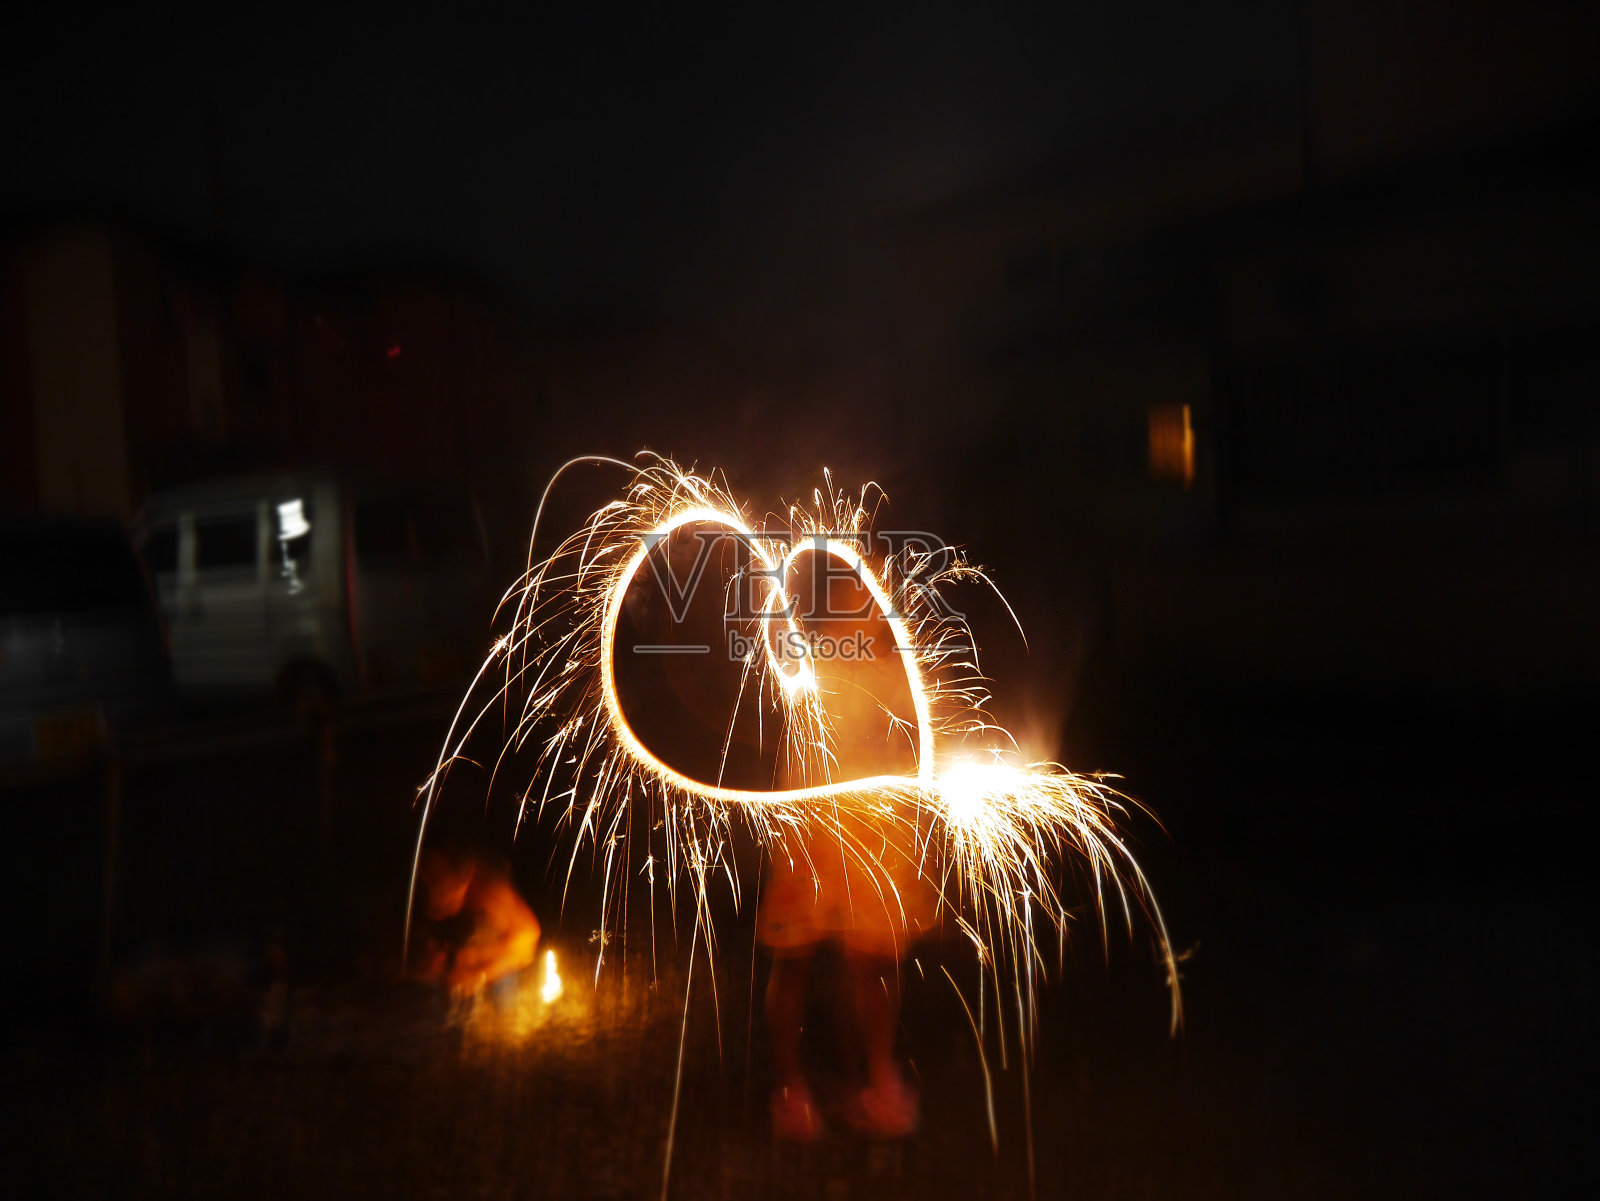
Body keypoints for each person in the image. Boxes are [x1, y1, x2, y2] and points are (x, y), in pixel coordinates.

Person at [757, 566, 939, 1141]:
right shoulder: (807, 658)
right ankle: (791, 1092)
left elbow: (932, 728)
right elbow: (770, 630)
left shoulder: (898, 668)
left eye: (872, 593)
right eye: (851, 591)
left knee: (874, 963)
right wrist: (765, 578)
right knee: (792, 960)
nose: (864, 600)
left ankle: (879, 1079)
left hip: (874, 834)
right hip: (808, 832)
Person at [410, 845, 541, 997]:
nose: (436, 900)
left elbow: (528, 939)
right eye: (430, 885)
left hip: (498, 974)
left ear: (463, 882)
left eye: (442, 893)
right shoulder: (426, 892)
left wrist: (480, 975)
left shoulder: (491, 891)